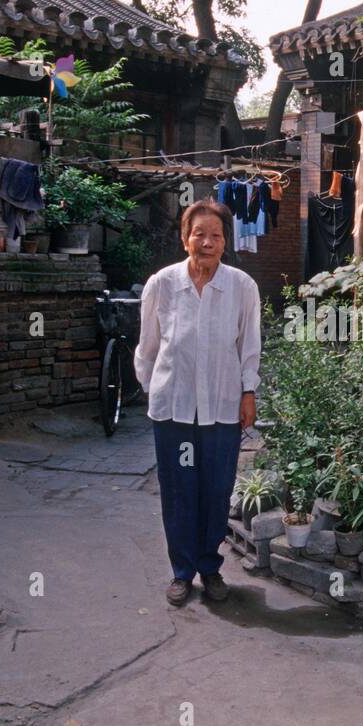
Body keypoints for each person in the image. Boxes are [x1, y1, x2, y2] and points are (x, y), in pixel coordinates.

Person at [134, 199, 261, 606]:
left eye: (215, 235)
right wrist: (155, 391)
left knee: (217, 488)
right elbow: (148, 348)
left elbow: (248, 346)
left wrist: (248, 391)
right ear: (184, 238)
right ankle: (181, 572)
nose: (206, 242)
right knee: (178, 489)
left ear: (226, 241)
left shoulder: (241, 287)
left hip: (222, 409)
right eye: (198, 234)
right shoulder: (163, 284)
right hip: (174, 410)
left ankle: (210, 567)